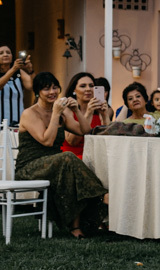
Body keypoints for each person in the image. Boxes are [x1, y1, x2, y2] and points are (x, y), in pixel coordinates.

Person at [17, 72, 108, 237]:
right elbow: (47, 141)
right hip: (29, 167)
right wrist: (56, 114)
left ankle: (75, 227)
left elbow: (85, 131)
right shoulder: (30, 113)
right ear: (37, 92)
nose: (52, 92)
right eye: (46, 89)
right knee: (67, 158)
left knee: (67, 167)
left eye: (55, 87)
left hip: (57, 164)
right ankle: (100, 195)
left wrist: (76, 111)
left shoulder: (63, 111)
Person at [60, 72, 110, 158]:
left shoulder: (100, 109)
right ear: (74, 90)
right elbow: (73, 141)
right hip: (73, 157)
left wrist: (104, 115)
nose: (88, 89)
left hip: (95, 157)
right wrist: (89, 112)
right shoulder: (67, 110)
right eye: (83, 86)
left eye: (91, 86)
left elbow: (108, 138)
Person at [0, 46, 32, 127]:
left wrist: (30, 70)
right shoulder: (15, 70)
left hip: (18, 124)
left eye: (8, 53)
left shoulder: (19, 73)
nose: (5, 55)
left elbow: (32, 86)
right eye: (1, 53)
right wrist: (13, 68)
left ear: (12, 57)